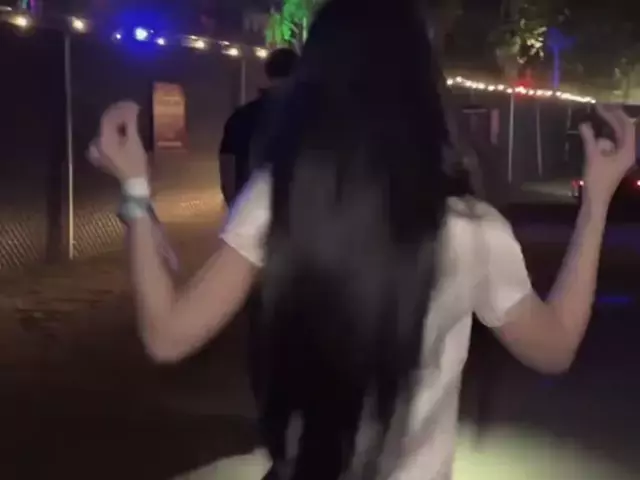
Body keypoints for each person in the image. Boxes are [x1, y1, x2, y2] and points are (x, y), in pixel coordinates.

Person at [88, 0, 635, 478]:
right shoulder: (472, 229)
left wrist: (135, 191)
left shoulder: (280, 195)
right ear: (424, 89)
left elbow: (167, 334)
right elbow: (554, 347)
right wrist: (596, 204)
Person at [218, 47, 299, 206]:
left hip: (252, 208)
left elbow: (227, 165)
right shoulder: (308, 118)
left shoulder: (241, 117)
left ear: (268, 72)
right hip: (295, 210)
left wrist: (235, 207)